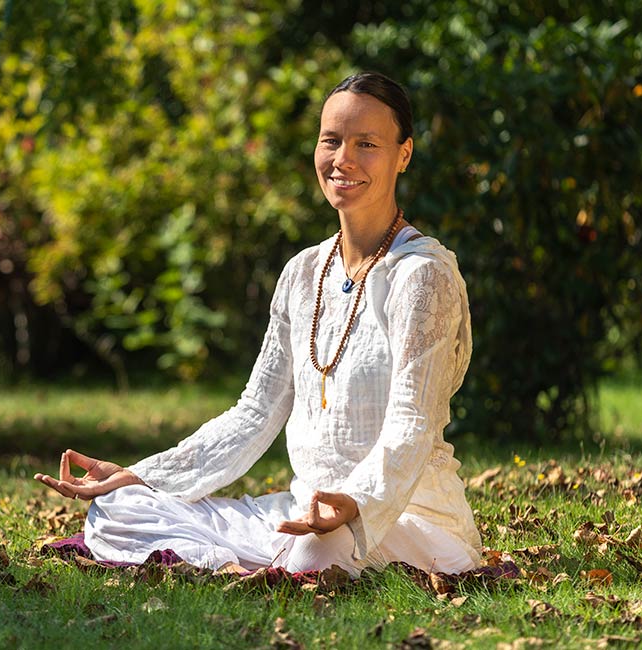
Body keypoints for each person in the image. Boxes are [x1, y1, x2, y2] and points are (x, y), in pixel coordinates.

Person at [33, 72, 481, 576]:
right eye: (331, 140)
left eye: (367, 143)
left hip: (410, 520)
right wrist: (142, 476)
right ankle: (249, 567)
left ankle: (260, 565)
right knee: (118, 511)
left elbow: (412, 424)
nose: (343, 159)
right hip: (302, 513)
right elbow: (254, 413)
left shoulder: (422, 276)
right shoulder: (303, 273)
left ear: (403, 154)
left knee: (317, 551)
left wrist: (355, 503)